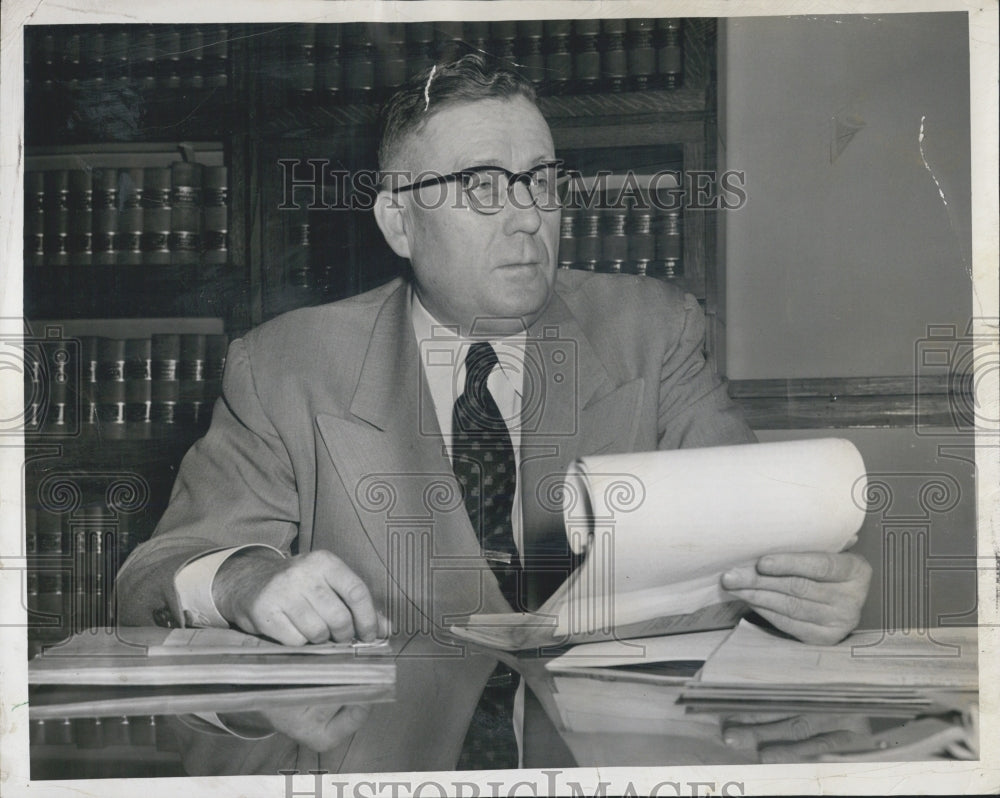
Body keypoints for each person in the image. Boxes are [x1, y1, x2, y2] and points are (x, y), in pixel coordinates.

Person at [115, 55, 871, 654]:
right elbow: (152, 575)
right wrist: (246, 580)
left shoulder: (654, 331)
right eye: (481, 186)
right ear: (398, 222)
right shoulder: (285, 366)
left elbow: (764, 545)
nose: (525, 218)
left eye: (541, 181)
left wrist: (809, 594)